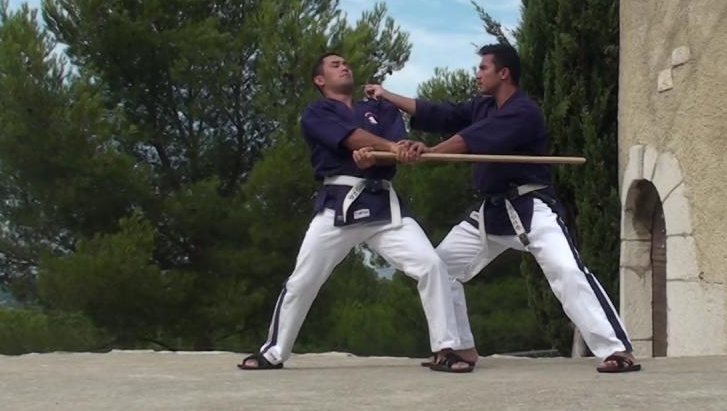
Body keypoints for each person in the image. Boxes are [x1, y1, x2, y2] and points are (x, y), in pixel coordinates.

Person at [366, 43, 641, 373]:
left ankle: (618, 350)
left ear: (504, 73)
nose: (477, 74)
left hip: (531, 207)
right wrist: (387, 95)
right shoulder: (482, 106)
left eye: (483, 68)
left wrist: (430, 153)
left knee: (567, 271)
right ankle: (461, 348)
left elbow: (471, 138)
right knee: (441, 268)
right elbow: (441, 113)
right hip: (491, 212)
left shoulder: (523, 111)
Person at [239, 52, 470, 373]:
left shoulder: (380, 109)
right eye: (335, 65)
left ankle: (446, 349)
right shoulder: (317, 112)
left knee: (431, 265)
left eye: (346, 63)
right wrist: (386, 149)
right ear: (320, 80)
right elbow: (351, 138)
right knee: (303, 279)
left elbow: (396, 146)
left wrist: (389, 153)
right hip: (338, 205)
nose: (344, 66)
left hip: (384, 205)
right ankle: (273, 352)